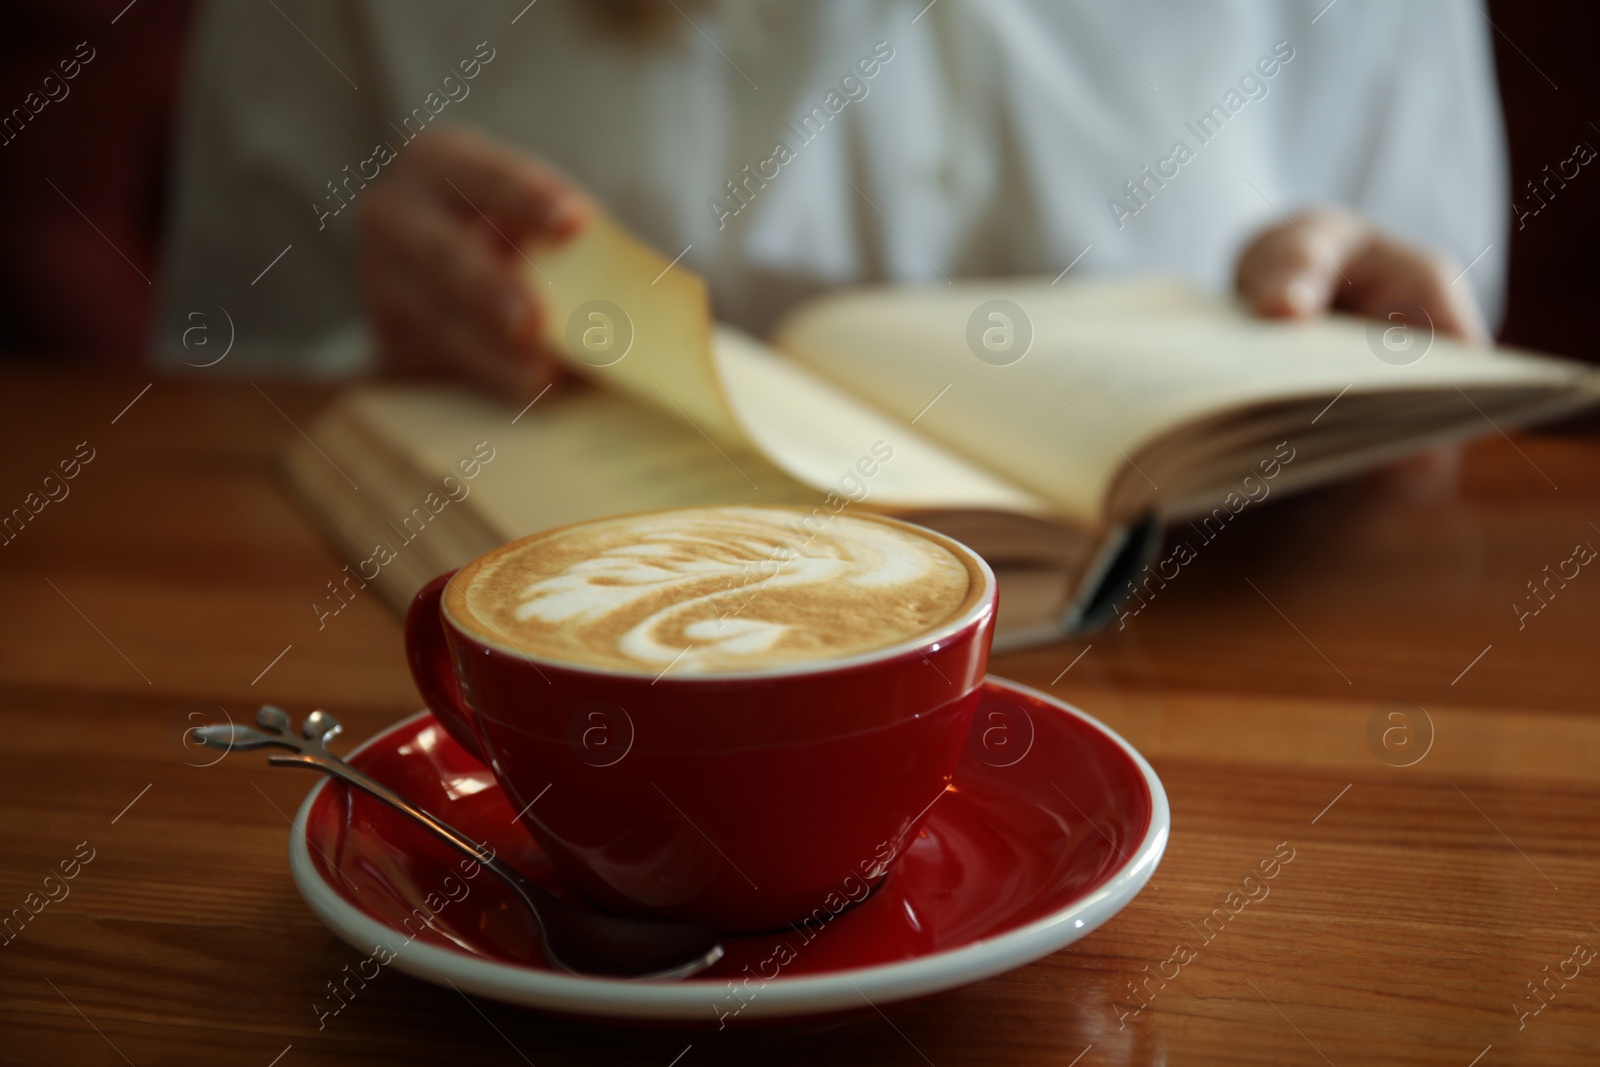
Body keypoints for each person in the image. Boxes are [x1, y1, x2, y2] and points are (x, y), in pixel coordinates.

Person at [156, 0, 1505, 401]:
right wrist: (378, 352)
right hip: (547, 741)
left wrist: (1375, 351)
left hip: (1209, 715)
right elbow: (213, 391)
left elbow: (1435, 393)